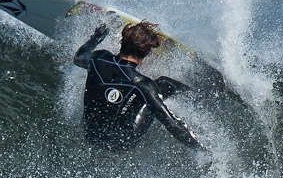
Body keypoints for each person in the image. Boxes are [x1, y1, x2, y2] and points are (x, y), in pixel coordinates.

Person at [74, 21, 204, 152]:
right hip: (120, 143)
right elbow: (171, 124)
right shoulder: (142, 84)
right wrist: (201, 151)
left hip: (90, 134)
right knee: (162, 84)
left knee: (131, 94)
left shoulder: (98, 58)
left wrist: (96, 37)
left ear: (123, 42)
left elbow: (79, 57)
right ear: (147, 52)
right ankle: (203, 97)